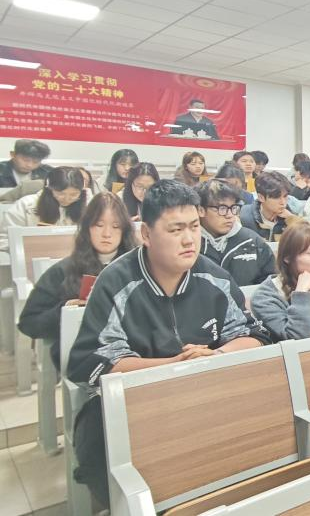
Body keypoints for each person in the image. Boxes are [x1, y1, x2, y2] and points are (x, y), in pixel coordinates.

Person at [67, 180, 269, 503]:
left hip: (204, 395)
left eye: (194, 227)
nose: (189, 239)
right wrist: (174, 365)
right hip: (132, 407)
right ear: (146, 234)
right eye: (176, 230)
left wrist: (216, 355)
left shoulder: (214, 277)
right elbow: (96, 362)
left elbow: (254, 336)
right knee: (107, 458)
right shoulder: (116, 282)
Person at [19, 193, 136, 370]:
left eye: (115, 226)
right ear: (87, 228)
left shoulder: (137, 267)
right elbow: (29, 323)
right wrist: (65, 310)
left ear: (125, 230)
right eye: (99, 225)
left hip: (134, 349)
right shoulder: (63, 270)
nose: (107, 234)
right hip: (85, 356)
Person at [196, 179, 275, 287]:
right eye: (222, 208)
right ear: (201, 210)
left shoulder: (252, 241)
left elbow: (271, 281)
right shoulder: (190, 245)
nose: (229, 215)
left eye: (233, 208)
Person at [0, 166, 85, 251]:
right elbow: (4, 239)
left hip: (74, 256)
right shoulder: (26, 204)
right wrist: (31, 247)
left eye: (74, 194)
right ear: (49, 189)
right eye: (60, 193)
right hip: (32, 254)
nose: (67, 198)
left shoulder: (86, 207)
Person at [240, 170, 297, 242]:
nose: (283, 202)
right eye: (276, 197)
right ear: (261, 197)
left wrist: (292, 219)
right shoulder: (244, 217)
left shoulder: (290, 217)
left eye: (285, 196)